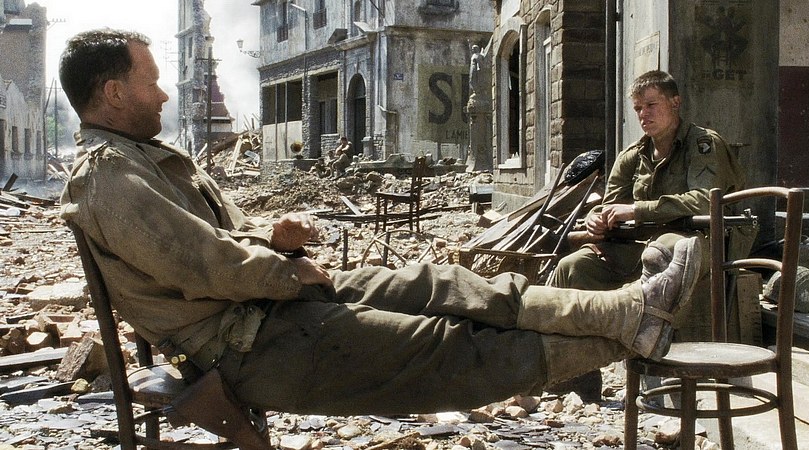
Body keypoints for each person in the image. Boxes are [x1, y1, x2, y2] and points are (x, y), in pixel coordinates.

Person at [59, 28, 702, 416]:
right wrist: (282, 272)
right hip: (244, 342)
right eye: (150, 82)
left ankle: (625, 310)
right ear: (113, 93)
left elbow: (217, 243)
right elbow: (198, 262)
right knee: (442, 347)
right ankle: (629, 334)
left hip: (269, 306)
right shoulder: (108, 175)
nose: (163, 93)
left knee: (442, 283)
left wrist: (271, 239)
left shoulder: (140, 158)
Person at [551, 70, 748, 397]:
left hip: (693, 241)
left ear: (675, 103)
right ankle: (574, 378)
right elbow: (610, 203)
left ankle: (662, 376)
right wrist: (596, 219)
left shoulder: (703, 145)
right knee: (572, 268)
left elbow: (704, 199)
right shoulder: (633, 155)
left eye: (651, 105)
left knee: (662, 253)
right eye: (638, 108)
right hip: (637, 245)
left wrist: (638, 210)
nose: (644, 114)